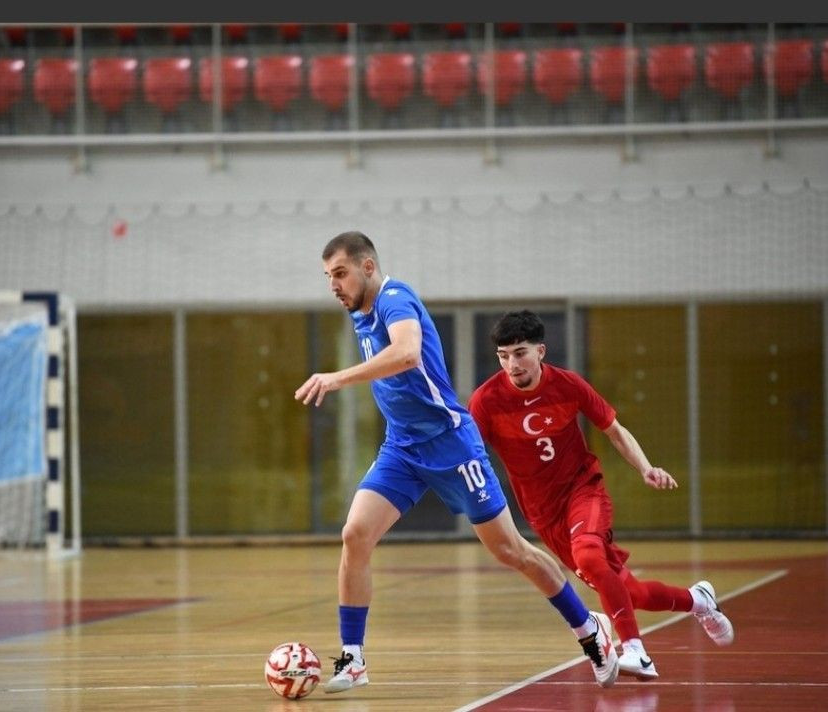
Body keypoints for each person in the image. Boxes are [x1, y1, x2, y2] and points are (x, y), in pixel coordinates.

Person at [294, 232, 620, 693]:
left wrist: (337, 378)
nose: (333, 285)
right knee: (355, 534)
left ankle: (589, 627)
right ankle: (353, 658)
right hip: (402, 447)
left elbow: (406, 353)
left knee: (510, 551)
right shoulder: (359, 312)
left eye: (341, 273)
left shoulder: (394, 299)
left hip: (451, 444)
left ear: (368, 267)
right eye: (328, 276)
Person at [468, 310, 734, 681]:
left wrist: (646, 467)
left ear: (541, 351)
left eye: (520, 353)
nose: (512, 364)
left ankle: (635, 651)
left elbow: (615, 430)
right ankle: (698, 600)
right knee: (629, 593)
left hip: (583, 490)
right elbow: (468, 454)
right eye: (503, 355)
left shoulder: (569, 385)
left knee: (589, 556)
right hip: (544, 514)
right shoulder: (486, 401)